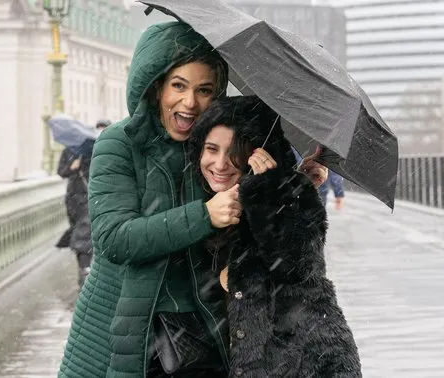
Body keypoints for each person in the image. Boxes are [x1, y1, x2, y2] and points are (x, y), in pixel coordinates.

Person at [58, 21, 328, 378]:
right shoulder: (118, 144)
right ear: (156, 88)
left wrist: (293, 187)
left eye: (204, 90)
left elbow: (256, 228)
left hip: (206, 334)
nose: (190, 102)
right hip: (129, 330)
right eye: (179, 86)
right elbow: (114, 239)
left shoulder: (214, 146)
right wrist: (204, 215)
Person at [188, 96, 362, 377]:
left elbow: (297, 265)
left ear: (256, 153)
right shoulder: (195, 207)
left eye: (234, 152)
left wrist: (269, 191)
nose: (220, 163)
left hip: (310, 366)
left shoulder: (287, 197)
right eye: (211, 149)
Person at [56, 144, 93, 289]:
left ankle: (85, 269)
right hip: (72, 199)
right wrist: (72, 167)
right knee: (77, 232)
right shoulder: (68, 151)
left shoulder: (91, 151)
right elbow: (61, 172)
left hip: (87, 197)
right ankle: (83, 267)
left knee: (83, 234)